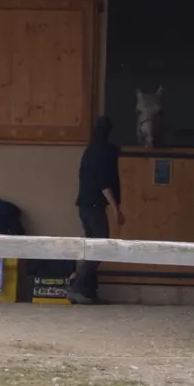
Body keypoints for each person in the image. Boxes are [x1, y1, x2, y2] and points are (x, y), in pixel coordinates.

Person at [72, 115, 124, 305]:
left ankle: (89, 292)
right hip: (95, 207)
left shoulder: (89, 151)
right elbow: (104, 184)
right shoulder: (103, 152)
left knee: (91, 249)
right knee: (100, 249)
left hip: (84, 206)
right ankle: (77, 286)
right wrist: (117, 209)